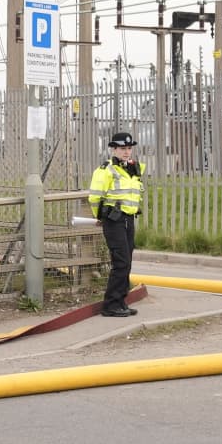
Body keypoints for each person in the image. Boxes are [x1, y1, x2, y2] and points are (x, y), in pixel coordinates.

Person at [88, 132, 145, 317]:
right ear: (114, 149)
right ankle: (111, 305)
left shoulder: (133, 169)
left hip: (129, 219)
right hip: (114, 220)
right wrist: (99, 217)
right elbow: (95, 196)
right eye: (122, 149)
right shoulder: (107, 170)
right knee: (120, 262)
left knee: (126, 262)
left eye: (129, 148)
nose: (127, 152)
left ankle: (121, 302)